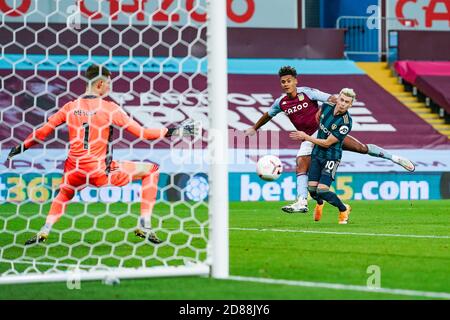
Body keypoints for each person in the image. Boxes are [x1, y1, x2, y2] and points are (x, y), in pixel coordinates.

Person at [7, 64, 198, 245]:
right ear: (99, 83)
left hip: (74, 170)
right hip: (99, 172)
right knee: (152, 170)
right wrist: (179, 131)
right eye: (108, 83)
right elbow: (144, 134)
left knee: (63, 194)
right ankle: (145, 225)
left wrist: (20, 148)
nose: (109, 87)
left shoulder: (70, 107)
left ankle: (45, 229)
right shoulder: (109, 108)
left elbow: (41, 133)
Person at [245, 66, 415, 214]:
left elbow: (330, 98)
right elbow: (268, 115)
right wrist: (254, 128)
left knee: (361, 148)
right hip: (309, 137)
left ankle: (394, 158)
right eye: (283, 82)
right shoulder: (280, 103)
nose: (286, 84)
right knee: (301, 162)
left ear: (295, 81)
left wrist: (337, 105)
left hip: (325, 132)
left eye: (289, 80)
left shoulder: (308, 92)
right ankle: (302, 202)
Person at [289, 88, 355, 224]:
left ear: (350, 105)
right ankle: (320, 203)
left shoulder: (346, 122)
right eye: (341, 100)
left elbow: (327, 143)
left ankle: (344, 209)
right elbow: (318, 116)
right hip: (317, 154)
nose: (342, 103)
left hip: (331, 157)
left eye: (346, 102)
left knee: (322, 190)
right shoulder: (326, 106)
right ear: (338, 98)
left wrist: (306, 137)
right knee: (313, 191)